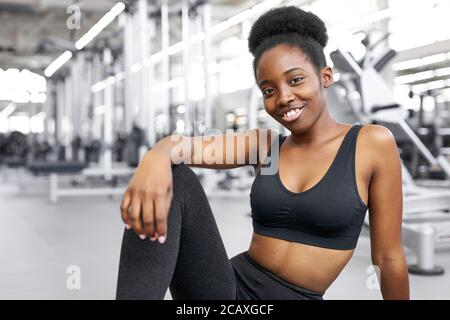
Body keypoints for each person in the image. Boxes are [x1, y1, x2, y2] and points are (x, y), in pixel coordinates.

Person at [116, 6, 409, 300]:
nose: (283, 98)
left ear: (326, 76)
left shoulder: (371, 143)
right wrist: (155, 157)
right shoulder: (265, 147)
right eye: (268, 90)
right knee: (176, 178)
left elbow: (388, 258)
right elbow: (180, 148)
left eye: (295, 80)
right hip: (227, 292)